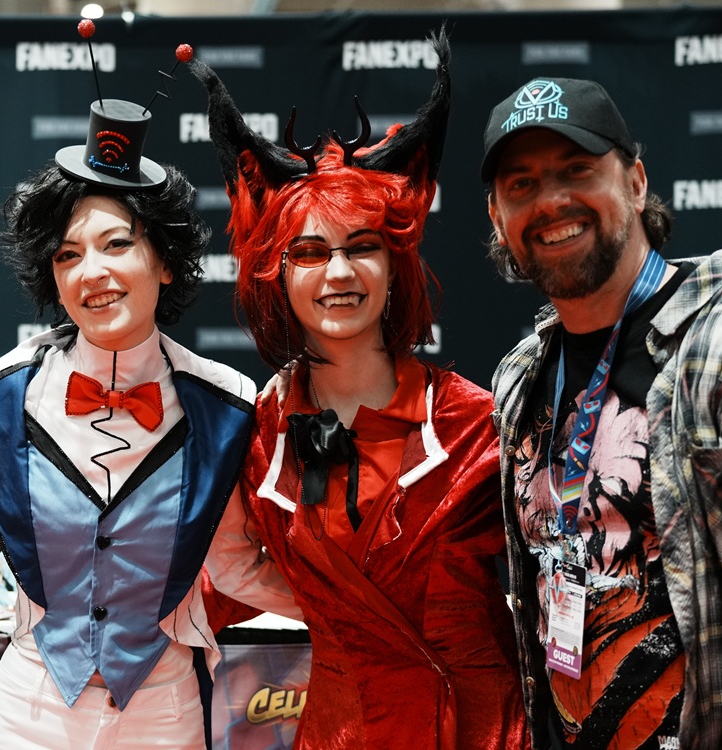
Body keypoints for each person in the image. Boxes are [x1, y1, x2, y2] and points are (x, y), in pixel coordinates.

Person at [482, 76, 722, 748]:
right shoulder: (518, 377)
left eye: (577, 170)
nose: (552, 199)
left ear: (637, 182)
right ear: (498, 218)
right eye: (520, 184)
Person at [0, 78, 300, 749]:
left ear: (165, 263)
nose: (91, 272)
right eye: (68, 254)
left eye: (116, 244)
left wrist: (358, 610)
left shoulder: (226, 406)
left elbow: (232, 564)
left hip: (163, 713)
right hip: (25, 709)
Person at [193, 35, 525, 749]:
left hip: (482, 731)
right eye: (310, 253)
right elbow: (216, 579)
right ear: (275, 274)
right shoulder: (257, 433)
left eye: (362, 247)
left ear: (394, 262)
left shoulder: (478, 421)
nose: (338, 273)